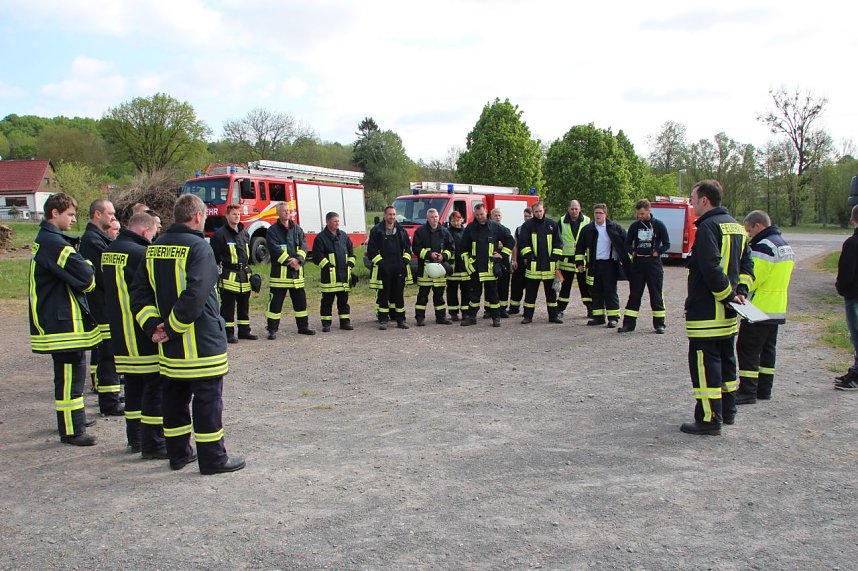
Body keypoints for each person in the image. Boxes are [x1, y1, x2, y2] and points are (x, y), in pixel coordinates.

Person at [130, 194, 245, 474]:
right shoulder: (199, 247)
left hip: (170, 350)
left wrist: (153, 326)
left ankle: (178, 454)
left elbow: (139, 294)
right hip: (201, 344)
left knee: (174, 400)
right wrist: (170, 328)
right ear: (197, 216)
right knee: (208, 402)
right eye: (204, 215)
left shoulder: (154, 248)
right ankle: (212, 459)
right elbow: (195, 296)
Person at [681, 180, 753, 435]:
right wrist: (740, 293)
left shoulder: (708, 227)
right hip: (729, 314)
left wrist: (727, 296)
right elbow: (747, 265)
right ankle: (728, 411)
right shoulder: (736, 226)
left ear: (705, 200)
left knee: (704, 365)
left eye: (692, 198)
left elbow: (711, 268)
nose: (690, 202)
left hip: (708, 312)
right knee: (726, 363)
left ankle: (710, 419)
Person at [29, 193, 101, 446]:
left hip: (60, 319)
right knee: (70, 375)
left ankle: (75, 418)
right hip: (63, 321)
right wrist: (89, 265)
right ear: (54, 213)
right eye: (69, 215)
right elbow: (86, 278)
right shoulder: (55, 243)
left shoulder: (49, 240)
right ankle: (72, 429)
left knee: (71, 373)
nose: (73, 219)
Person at [102, 211, 166, 458]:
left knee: (132, 387)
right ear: (143, 231)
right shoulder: (141, 253)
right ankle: (153, 441)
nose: (153, 238)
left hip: (119, 332)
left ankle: (135, 438)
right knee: (153, 387)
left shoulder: (110, 251)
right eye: (152, 234)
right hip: (141, 332)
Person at [734, 210, 795, 402]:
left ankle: (747, 391)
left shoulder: (763, 246)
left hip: (758, 308)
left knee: (747, 348)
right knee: (768, 350)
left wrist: (737, 287)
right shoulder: (783, 245)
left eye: (750, 230)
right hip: (776, 308)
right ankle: (764, 389)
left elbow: (754, 277)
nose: (749, 234)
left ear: (758, 225)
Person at [79, 198, 124, 416]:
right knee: (108, 354)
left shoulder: (98, 238)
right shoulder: (92, 241)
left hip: (105, 305)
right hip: (102, 306)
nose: (113, 217)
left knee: (110, 353)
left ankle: (112, 395)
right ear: (97, 214)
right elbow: (105, 274)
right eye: (110, 213)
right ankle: (109, 401)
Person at [619, 199, 670, 334]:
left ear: (649, 211)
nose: (639, 216)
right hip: (638, 263)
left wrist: (658, 251)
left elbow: (666, 243)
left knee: (656, 294)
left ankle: (659, 324)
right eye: (638, 214)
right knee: (634, 294)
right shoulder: (635, 226)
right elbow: (627, 244)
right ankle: (629, 324)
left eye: (642, 213)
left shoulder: (658, 225)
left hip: (653, 264)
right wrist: (633, 251)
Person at [459, 203, 514, 327]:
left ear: (486, 212)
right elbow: (462, 248)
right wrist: (469, 263)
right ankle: (471, 317)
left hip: (490, 267)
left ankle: (496, 318)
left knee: (493, 294)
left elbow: (510, 240)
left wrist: (502, 254)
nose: (479, 217)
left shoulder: (495, 227)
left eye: (482, 214)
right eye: (477, 215)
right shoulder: (470, 228)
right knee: (474, 295)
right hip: (475, 268)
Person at [575, 203, 629, 328]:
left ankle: (613, 318)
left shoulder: (614, 228)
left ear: (605, 214)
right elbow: (579, 248)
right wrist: (579, 263)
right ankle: (598, 317)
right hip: (593, 264)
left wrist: (628, 261)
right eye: (596, 213)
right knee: (595, 291)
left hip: (609, 264)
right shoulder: (587, 229)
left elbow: (626, 243)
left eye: (600, 213)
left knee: (610, 291)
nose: (598, 215)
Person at [265, 203, 315, 339]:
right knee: (275, 305)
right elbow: (274, 249)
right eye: (284, 211)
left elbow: (304, 246)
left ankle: (303, 327)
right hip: (280, 277)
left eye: (288, 210)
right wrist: (290, 261)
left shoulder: (297, 229)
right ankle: (272, 330)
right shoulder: (272, 230)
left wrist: (298, 260)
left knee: (301, 303)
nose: (287, 213)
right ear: (278, 213)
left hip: (296, 275)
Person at [210, 204, 257, 344]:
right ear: (227, 216)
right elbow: (214, 257)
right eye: (234, 214)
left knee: (244, 306)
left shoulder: (244, 233)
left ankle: (244, 331)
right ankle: (228, 333)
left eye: (238, 214)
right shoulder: (219, 235)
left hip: (244, 275)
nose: (237, 217)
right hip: (229, 276)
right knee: (228, 307)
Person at [367, 205, 412, 330]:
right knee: (383, 294)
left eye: (393, 214)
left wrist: (404, 261)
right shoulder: (376, 230)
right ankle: (383, 319)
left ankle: (400, 320)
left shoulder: (401, 230)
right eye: (389, 214)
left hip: (399, 267)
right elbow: (371, 251)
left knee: (398, 294)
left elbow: (408, 248)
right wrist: (381, 264)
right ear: (384, 215)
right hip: (383, 268)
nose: (392, 217)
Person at [517, 201, 564, 324]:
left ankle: (553, 316)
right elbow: (523, 243)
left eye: (540, 211)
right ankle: (527, 316)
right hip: (533, 267)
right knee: (530, 294)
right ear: (533, 212)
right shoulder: (527, 226)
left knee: (551, 294)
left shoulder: (552, 224)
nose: (538, 213)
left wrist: (554, 257)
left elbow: (558, 243)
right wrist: (530, 256)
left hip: (550, 266)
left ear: (544, 210)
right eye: (536, 211)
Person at [312, 211, 356, 332]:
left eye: (338, 221)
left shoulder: (343, 236)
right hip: (329, 277)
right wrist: (327, 266)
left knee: (344, 301)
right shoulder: (321, 238)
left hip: (343, 276)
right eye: (335, 221)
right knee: (327, 302)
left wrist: (350, 264)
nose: (337, 223)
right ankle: (326, 324)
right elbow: (316, 256)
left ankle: (345, 322)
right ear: (327, 222)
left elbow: (351, 252)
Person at [412, 208, 455, 326]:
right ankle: (419, 318)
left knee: (439, 296)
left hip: (440, 269)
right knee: (422, 297)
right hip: (425, 271)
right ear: (427, 218)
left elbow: (451, 248)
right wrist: (429, 254)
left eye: (436, 216)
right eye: (432, 217)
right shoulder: (420, 232)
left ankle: (441, 317)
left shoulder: (444, 231)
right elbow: (416, 248)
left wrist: (444, 256)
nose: (434, 219)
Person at [834, 204, 858, 390]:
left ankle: (856, 376)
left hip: (854, 296)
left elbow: (846, 273)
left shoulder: (852, 243)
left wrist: (841, 288)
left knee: (856, 335)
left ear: (853, 220)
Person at [556, 200, 592, 319]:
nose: (574, 211)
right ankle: (560, 309)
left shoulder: (587, 220)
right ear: (568, 209)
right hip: (566, 260)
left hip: (582, 259)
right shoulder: (561, 221)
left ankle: (590, 309)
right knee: (565, 287)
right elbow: (557, 239)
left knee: (585, 286)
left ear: (580, 209)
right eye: (572, 209)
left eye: (576, 209)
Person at [506, 207, 533, 315]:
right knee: (516, 285)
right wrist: (514, 260)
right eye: (525, 216)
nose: (527, 218)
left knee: (530, 286)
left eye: (529, 216)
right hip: (520, 261)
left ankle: (528, 309)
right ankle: (514, 307)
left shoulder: (537, 228)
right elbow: (515, 245)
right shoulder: (519, 229)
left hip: (532, 261)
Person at [445, 211, 470, 321]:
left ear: (462, 220)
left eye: (458, 220)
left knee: (466, 291)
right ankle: (453, 313)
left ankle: (465, 312)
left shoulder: (467, 232)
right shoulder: (447, 232)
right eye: (453, 220)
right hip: (453, 267)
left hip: (465, 267)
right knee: (452, 291)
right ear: (450, 221)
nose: (456, 222)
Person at [489, 208, 512, 318]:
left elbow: (511, 243)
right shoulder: (488, 229)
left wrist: (503, 250)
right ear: (491, 217)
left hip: (503, 261)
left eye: (499, 215)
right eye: (495, 215)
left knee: (504, 285)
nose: (497, 217)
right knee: (490, 286)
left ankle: (503, 309)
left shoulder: (505, 229)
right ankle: (489, 309)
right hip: (491, 261)